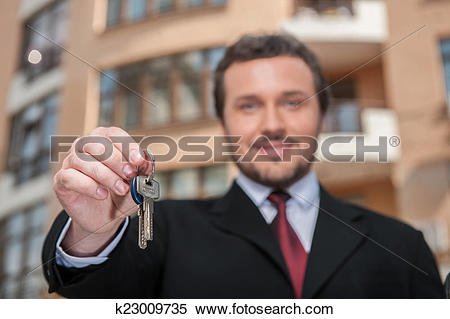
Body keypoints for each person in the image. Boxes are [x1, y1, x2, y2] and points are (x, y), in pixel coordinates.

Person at [42, 34, 443, 298]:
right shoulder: (161, 231)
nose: (272, 124)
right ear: (224, 122)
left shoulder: (401, 245)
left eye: (293, 101)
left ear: (322, 113)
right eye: (249, 105)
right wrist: (92, 234)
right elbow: (99, 290)